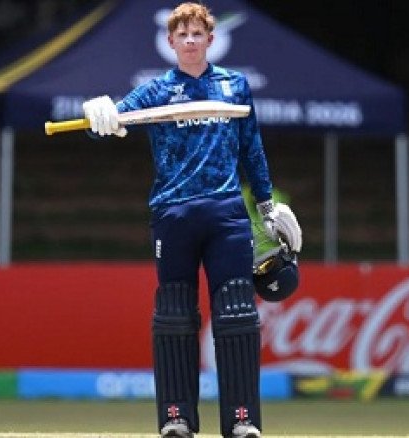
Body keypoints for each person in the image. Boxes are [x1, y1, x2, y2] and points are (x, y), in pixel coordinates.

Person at [81, 3, 302, 437]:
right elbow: (110, 123)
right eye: (181, 34)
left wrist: (266, 206)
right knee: (175, 315)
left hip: (226, 214)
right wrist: (98, 115)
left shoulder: (234, 86)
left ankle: (242, 420)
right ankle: (176, 417)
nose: (189, 41)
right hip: (173, 213)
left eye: (197, 34)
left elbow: (252, 148)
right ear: (170, 42)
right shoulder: (156, 90)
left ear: (210, 40)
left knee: (237, 313)